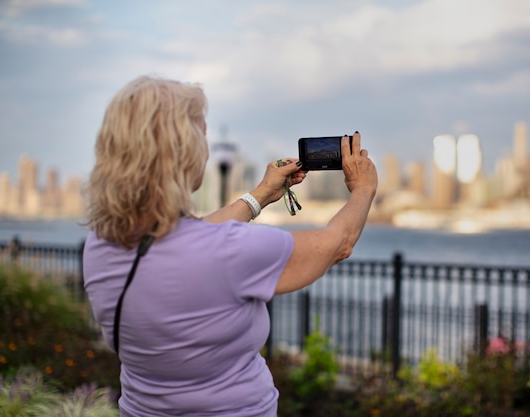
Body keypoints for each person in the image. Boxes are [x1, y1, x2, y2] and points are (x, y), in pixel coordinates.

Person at [82, 75, 377, 417]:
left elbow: (193, 242)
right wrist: (363, 189)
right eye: (200, 135)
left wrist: (262, 195)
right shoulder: (225, 252)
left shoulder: (100, 243)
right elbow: (337, 244)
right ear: (182, 151)